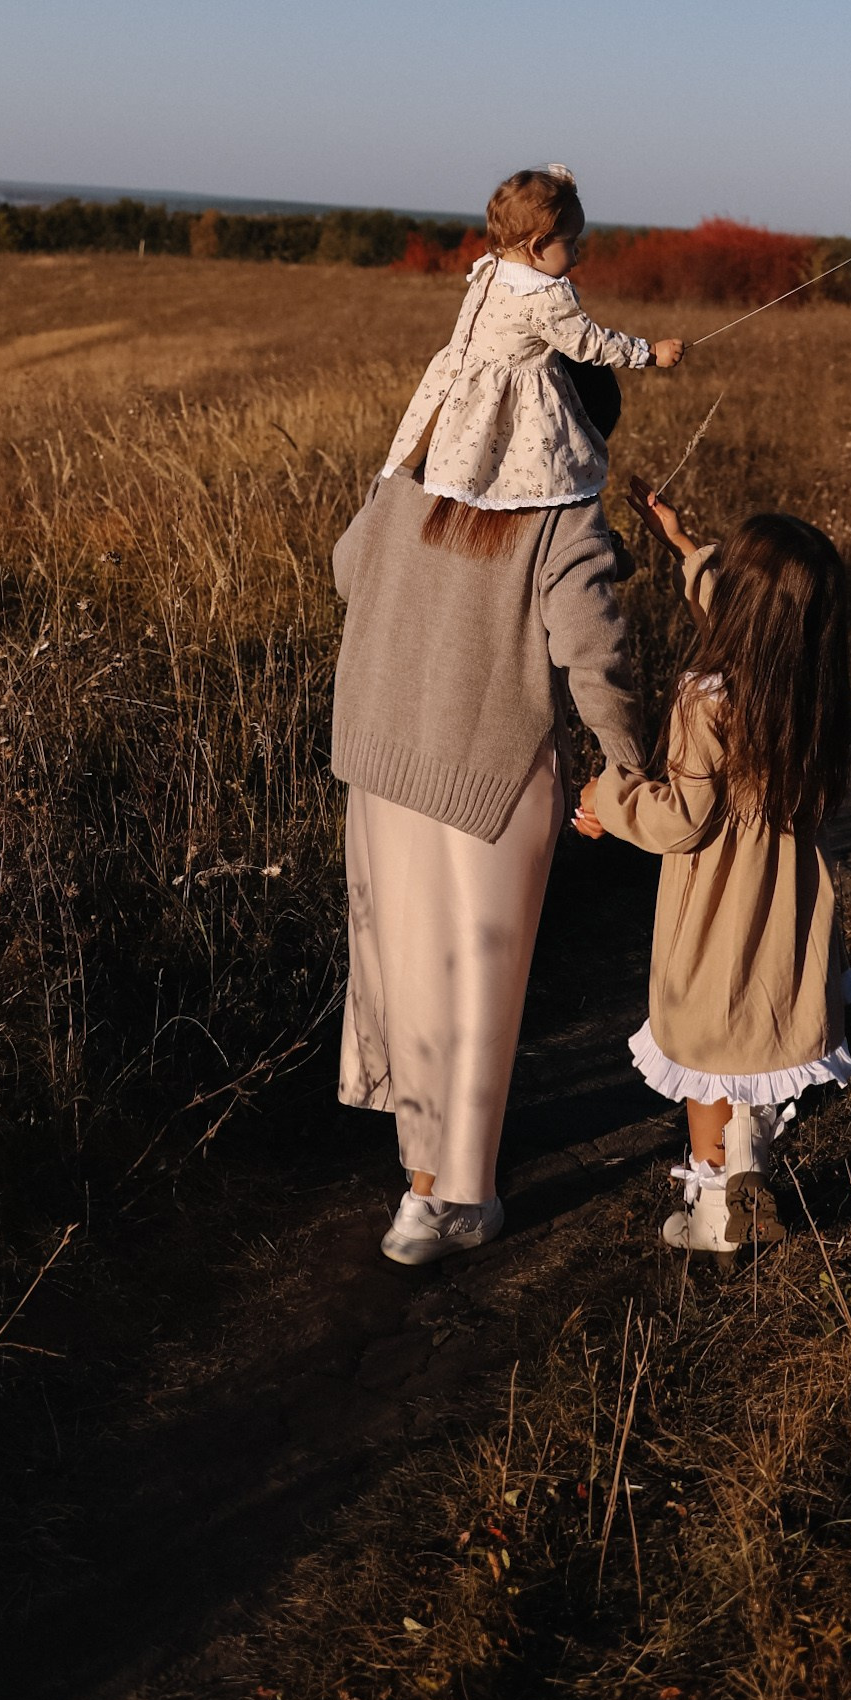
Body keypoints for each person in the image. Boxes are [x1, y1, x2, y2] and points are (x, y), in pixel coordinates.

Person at [331, 201, 654, 1268]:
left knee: (402, 963)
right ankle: (448, 1197)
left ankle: (421, 1176)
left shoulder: (417, 473)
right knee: (476, 977)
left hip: (378, 748)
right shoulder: (563, 508)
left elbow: (346, 568)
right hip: (486, 765)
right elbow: (590, 649)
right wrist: (626, 762)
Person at [576, 495, 851, 1256]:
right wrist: (683, 546)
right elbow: (758, 605)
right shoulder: (808, 684)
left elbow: (679, 819)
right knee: (758, 1029)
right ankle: (747, 1162)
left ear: (739, 607)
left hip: (715, 908)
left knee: (705, 1051)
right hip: (786, 904)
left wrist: (608, 795)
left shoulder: (708, 696)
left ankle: (713, 1216)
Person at [381, 164, 684, 512]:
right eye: (570, 244)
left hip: (461, 388)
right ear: (539, 247)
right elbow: (589, 343)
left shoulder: (492, 269)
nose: (576, 255)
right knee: (527, 464)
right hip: (511, 395)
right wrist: (648, 352)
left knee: (468, 449)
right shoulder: (544, 296)